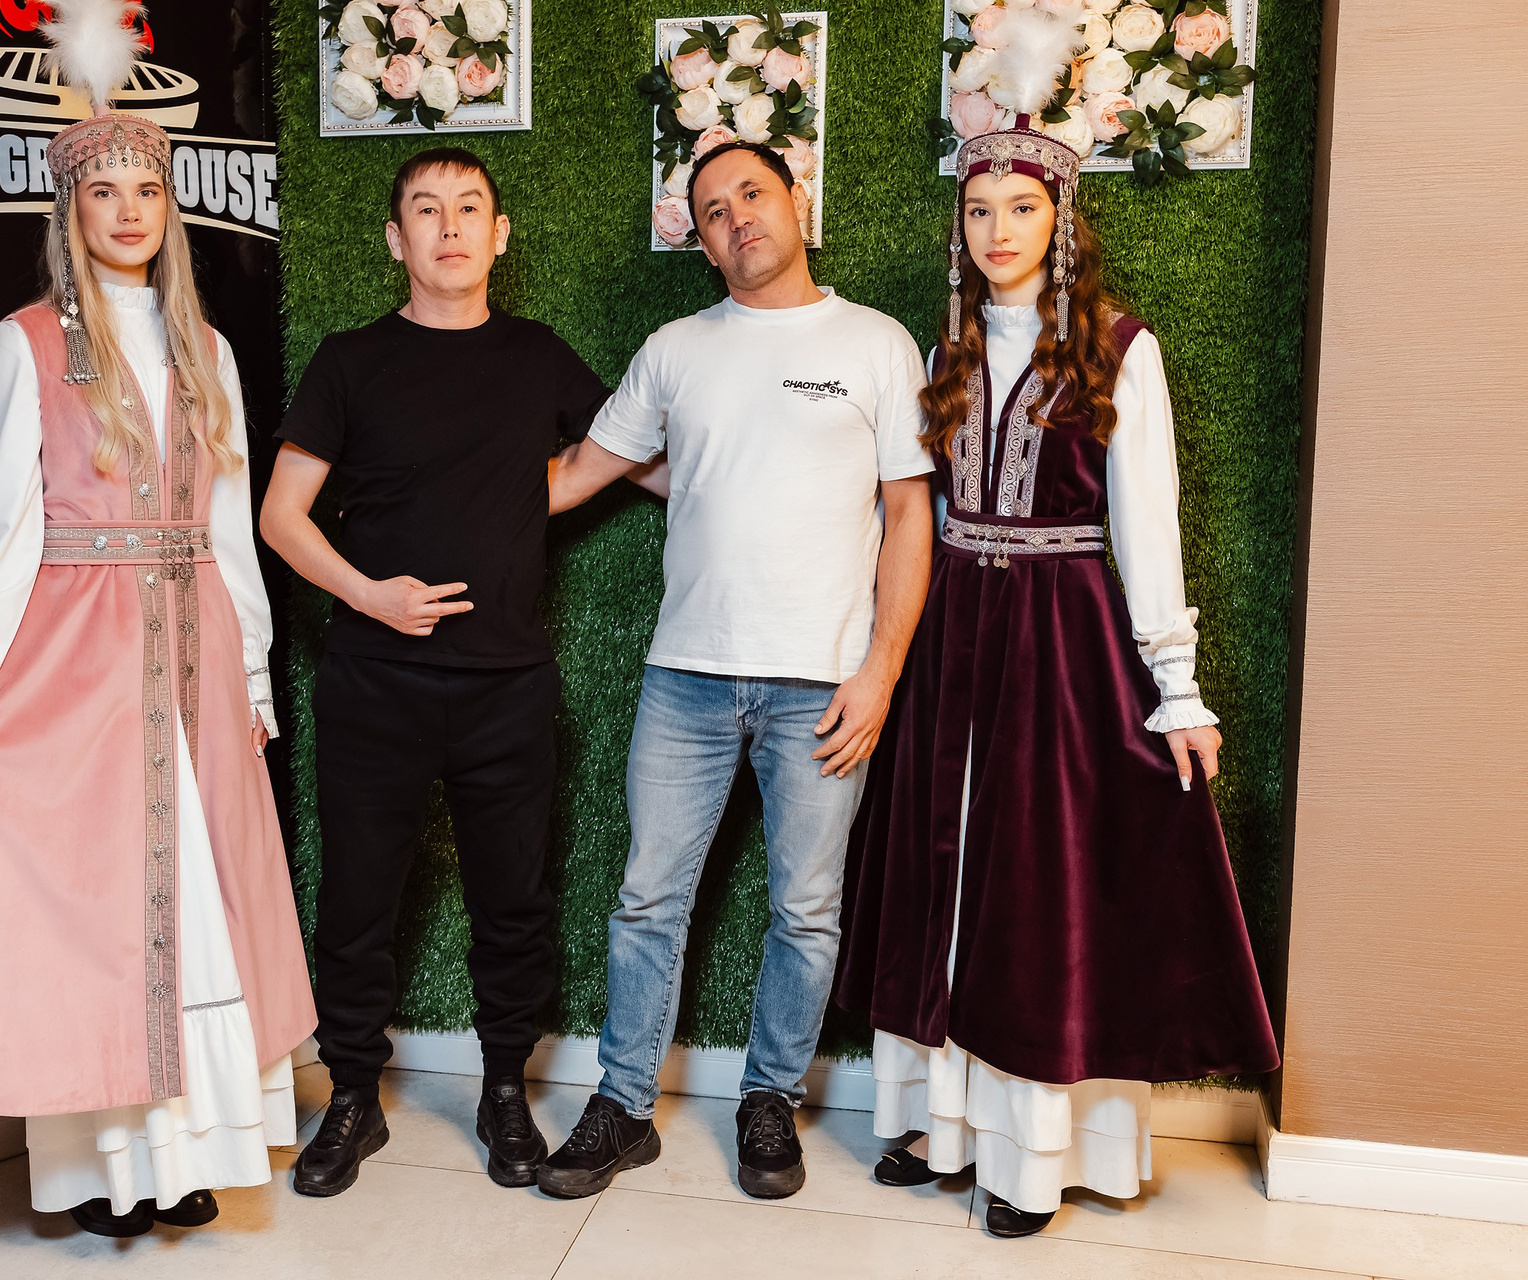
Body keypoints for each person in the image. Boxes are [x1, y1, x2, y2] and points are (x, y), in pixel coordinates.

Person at [830, 11, 1280, 1239]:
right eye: (979, 210)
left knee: (1040, 890)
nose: (998, 230)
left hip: (1063, 644)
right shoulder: (945, 350)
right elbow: (913, 514)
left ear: (1060, 217)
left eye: (1021, 209)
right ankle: (938, 1125)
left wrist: (1176, 686)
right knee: (942, 871)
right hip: (951, 636)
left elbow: (1147, 521)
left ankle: (1029, 1158)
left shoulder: (1120, 350)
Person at [0, 1, 314, 1238]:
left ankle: (185, 1157)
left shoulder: (209, 352)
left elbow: (228, 528)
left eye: (147, 189)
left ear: (170, 208)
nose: (129, 210)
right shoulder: (23, 344)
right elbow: (3, 523)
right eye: (104, 192)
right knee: (96, 911)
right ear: (71, 210)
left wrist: (251, 672)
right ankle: (99, 1173)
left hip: (195, 660)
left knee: (195, 902)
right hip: (76, 665)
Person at [541, 141, 934, 1201]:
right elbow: (577, 474)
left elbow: (910, 515)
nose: (737, 217)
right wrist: (434, 498)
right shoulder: (675, 349)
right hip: (686, 677)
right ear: (702, 242)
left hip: (825, 684)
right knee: (645, 899)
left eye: (752, 193)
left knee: (805, 908)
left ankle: (770, 1099)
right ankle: (623, 1105)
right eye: (713, 210)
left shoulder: (877, 343)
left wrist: (880, 670)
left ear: (795, 199)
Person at [260, 147, 621, 1197]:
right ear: (396, 238)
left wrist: (525, 494)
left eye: (469, 208)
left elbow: (618, 451)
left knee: (514, 903)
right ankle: (352, 1097)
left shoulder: (538, 355)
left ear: (498, 235)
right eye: (426, 209)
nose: (450, 226)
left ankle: (505, 1088)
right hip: (374, 678)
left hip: (508, 684)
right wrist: (370, 594)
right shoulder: (349, 360)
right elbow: (282, 516)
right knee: (356, 901)